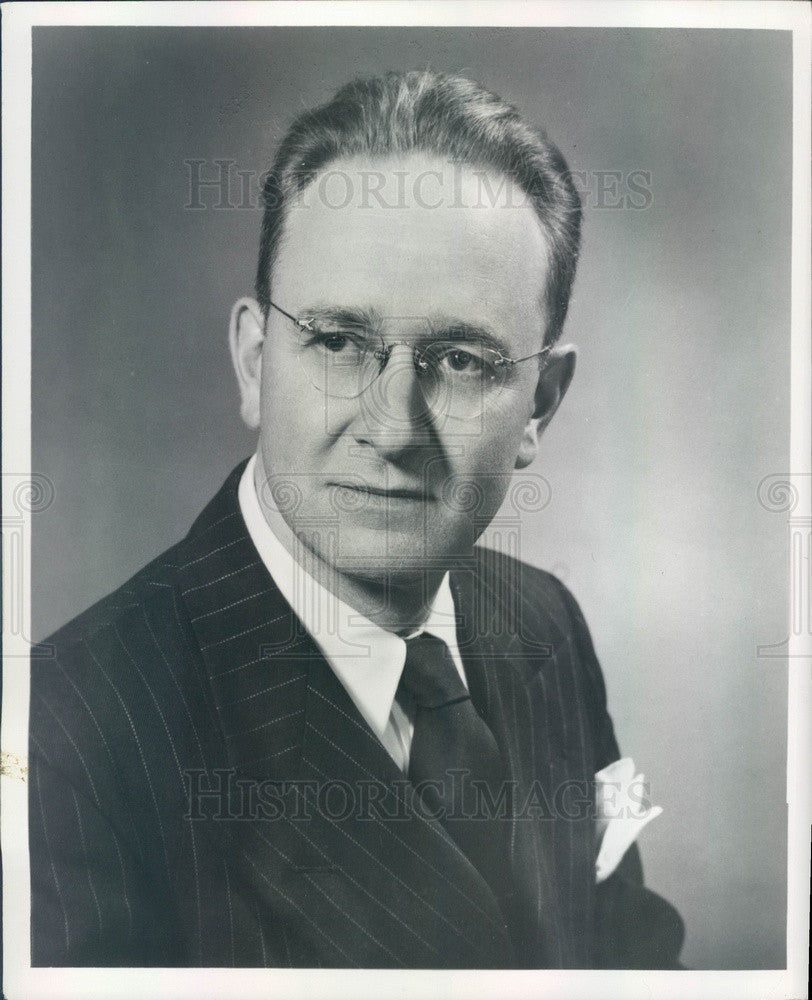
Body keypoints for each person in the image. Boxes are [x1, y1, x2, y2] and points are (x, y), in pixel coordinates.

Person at [29, 70, 683, 969]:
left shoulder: (546, 626)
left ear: (541, 404)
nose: (391, 426)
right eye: (337, 342)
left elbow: (635, 966)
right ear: (257, 363)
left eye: (460, 358)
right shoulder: (65, 744)